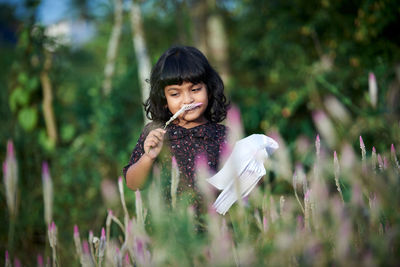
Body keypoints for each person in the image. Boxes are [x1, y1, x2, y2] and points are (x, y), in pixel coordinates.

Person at [123, 45, 229, 206]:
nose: (187, 100)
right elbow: (133, 183)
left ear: (209, 89)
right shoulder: (156, 133)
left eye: (195, 89)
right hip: (168, 228)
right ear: (164, 99)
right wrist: (148, 157)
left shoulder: (222, 135)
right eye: (175, 94)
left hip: (212, 225)